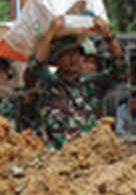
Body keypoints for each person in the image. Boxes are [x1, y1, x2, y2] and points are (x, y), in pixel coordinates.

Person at [18, 13, 126, 150]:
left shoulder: (91, 84)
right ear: (56, 60)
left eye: (77, 53)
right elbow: (35, 66)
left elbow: (120, 69)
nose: (74, 58)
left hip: (87, 153)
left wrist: (109, 36)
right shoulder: (47, 84)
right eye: (67, 54)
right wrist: (51, 32)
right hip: (55, 155)